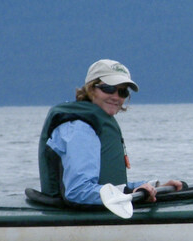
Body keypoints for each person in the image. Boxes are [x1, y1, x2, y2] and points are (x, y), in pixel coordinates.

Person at [38, 59, 183, 206]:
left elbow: (109, 185)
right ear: (91, 88)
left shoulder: (94, 122)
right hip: (79, 217)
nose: (116, 97)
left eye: (122, 91)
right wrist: (128, 193)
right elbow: (78, 191)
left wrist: (154, 187)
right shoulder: (79, 128)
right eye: (108, 88)